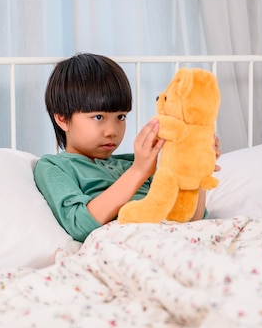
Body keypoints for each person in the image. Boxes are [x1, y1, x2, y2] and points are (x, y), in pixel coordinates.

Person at [33, 53, 221, 242]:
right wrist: (138, 172)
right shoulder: (54, 166)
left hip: (177, 237)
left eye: (121, 117)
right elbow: (79, 224)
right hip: (128, 243)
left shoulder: (136, 160)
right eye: (99, 117)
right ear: (62, 119)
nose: (112, 131)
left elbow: (191, 219)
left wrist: (196, 172)